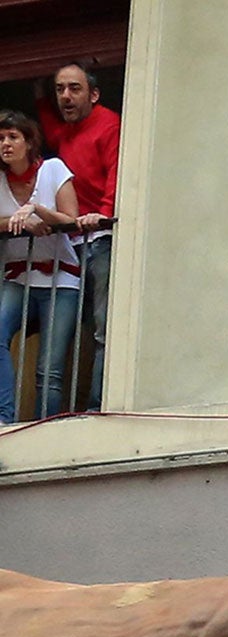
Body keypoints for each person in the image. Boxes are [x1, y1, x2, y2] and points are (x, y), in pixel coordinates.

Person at [34, 63, 115, 412]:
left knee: (101, 328)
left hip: (100, 237)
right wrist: (37, 93)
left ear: (93, 94)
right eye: (59, 89)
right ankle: (55, 408)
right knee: (68, 329)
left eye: (75, 88)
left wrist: (105, 213)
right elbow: (50, 130)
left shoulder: (109, 124)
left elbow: (117, 170)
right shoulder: (64, 133)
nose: (65, 96)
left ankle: (97, 406)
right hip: (71, 243)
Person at [0, 109, 81, 423]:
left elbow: (71, 220)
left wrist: (36, 210)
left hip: (62, 280)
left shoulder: (53, 169)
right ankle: (4, 418)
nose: (5, 144)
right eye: (1, 139)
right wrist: (15, 222)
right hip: (18, 277)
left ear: (29, 141)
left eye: (12, 137)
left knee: (49, 367)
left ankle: (44, 426)